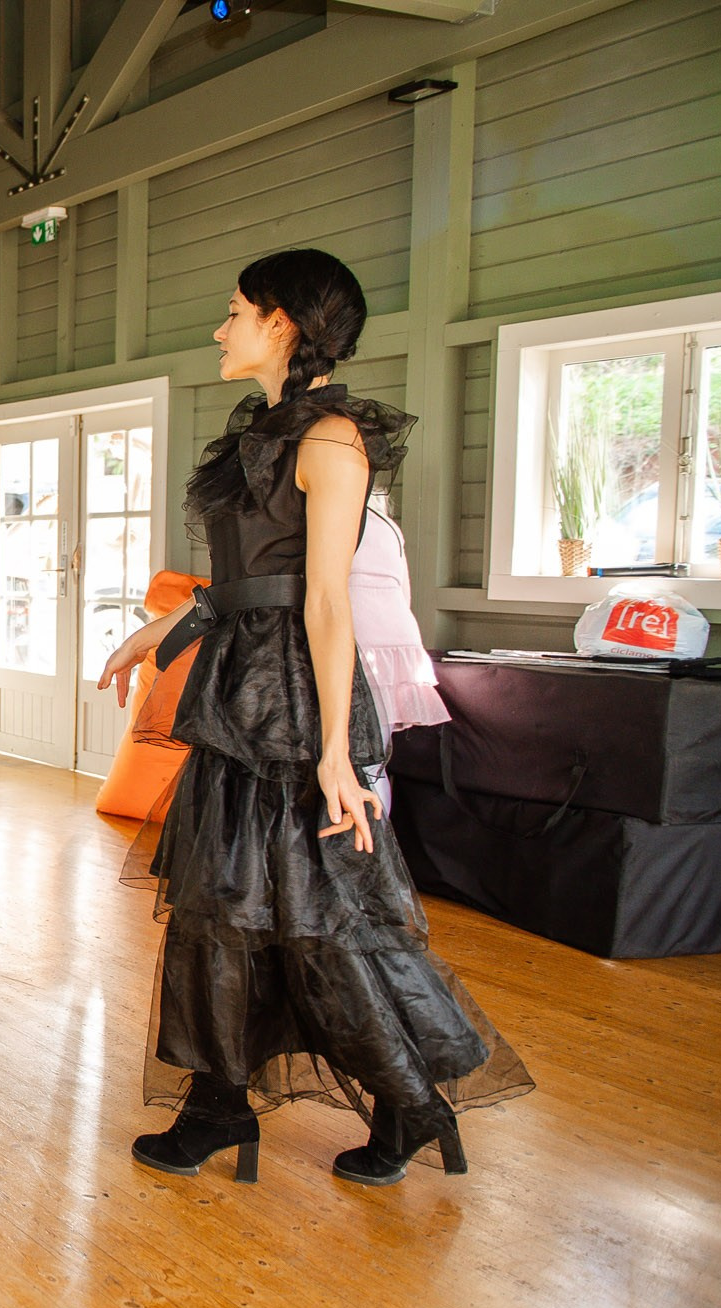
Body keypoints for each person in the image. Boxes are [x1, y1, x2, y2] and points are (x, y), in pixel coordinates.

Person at [98, 248, 532, 1188]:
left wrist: (337, 753)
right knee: (218, 912)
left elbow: (327, 601)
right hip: (235, 699)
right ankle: (216, 1104)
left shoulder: (333, 439)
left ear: (284, 322)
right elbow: (241, 581)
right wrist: (155, 633)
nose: (222, 328)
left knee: (323, 921)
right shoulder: (259, 431)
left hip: (293, 709)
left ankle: (415, 1102)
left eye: (235, 310)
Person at [351, 495, 450, 809]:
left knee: (349, 761)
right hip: (396, 643)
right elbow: (403, 592)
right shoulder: (388, 527)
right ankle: (379, 846)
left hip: (356, 638)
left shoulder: (327, 519)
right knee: (373, 761)